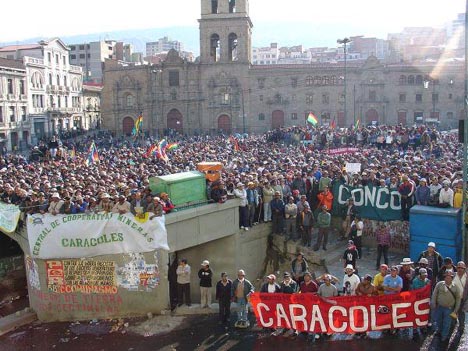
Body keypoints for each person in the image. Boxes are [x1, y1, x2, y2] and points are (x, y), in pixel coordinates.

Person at [431, 270, 461, 343]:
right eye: (446, 277)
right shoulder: (439, 284)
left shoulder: (456, 286)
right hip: (439, 307)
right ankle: (439, 331)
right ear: (444, 277)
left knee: (447, 323)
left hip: (449, 308)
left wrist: (456, 309)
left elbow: (458, 298)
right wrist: (433, 303)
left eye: (449, 277)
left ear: (452, 278)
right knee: (439, 321)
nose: (447, 279)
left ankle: (444, 336)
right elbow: (434, 294)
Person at [453, 261, 468, 332]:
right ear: (456, 268)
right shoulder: (453, 275)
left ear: (464, 268)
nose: (460, 269)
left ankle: (461, 326)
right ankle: (454, 322)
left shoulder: (467, 277)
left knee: (461, 313)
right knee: (454, 311)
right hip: (454, 298)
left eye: (462, 268)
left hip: (463, 299)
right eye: (458, 267)